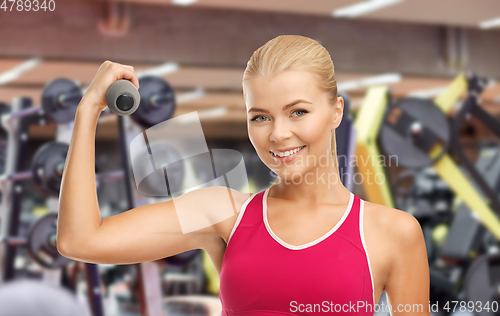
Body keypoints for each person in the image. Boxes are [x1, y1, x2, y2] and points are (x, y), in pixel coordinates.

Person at [57, 35, 430, 315]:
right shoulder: (222, 214)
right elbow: (81, 240)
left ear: (336, 112)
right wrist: (88, 109)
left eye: (298, 112)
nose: (278, 134)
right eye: (260, 117)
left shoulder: (394, 233)